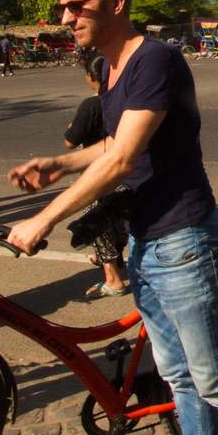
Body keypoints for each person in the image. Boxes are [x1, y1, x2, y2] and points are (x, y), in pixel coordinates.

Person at [5, 0, 218, 435]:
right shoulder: (109, 68)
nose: (66, 19)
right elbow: (117, 142)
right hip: (145, 239)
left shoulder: (156, 59)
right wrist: (58, 163)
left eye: (76, 6)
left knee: (215, 379)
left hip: (185, 239)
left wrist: (44, 218)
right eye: (64, 8)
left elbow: (123, 159)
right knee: (179, 378)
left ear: (116, 2)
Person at [64, 52, 129, 300]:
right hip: (125, 169)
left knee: (96, 223)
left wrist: (71, 127)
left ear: (91, 77)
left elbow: (70, 141)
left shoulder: (91, 105)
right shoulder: (127, 99)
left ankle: (113, 279)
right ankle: (114, 258)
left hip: (98, 173)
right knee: (120, 215)